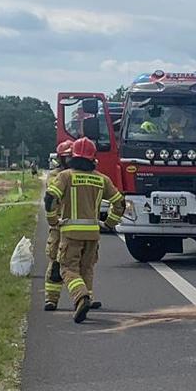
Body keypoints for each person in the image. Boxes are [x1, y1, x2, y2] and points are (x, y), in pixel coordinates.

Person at [46, 138, 124, 323]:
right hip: (93, 234)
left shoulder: (66, 176)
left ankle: (81, 297)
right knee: (86, 268)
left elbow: (50, 198)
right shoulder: (101, 178)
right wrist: (110, 223)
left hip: (70, 233)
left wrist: (53, 220)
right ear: (93, 157)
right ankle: (84, 300)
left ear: (73, 156)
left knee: (67, 269)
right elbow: (119, 202)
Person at [41, 138, 72, 311]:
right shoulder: (56, 176)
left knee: (82, 265)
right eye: (68, 158)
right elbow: (53, 193)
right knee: (55, 264)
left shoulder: (77, 175)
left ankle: (84, 297)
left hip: (74, 225)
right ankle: (51, 299)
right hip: (59, 226)